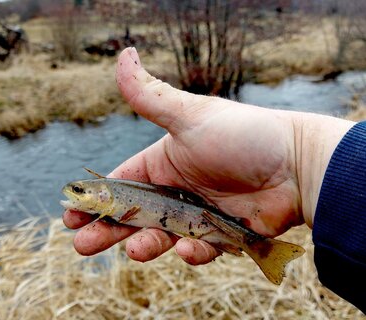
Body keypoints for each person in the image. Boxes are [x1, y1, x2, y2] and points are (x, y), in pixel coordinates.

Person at [63, 48, 366, 312]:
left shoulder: (117, 198)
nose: (75, 194)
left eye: (80, 191)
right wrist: (304, 162)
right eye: (79, 191)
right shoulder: (115, 200)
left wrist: (302, 160)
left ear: (102, 194)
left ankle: (261, 248)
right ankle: (258, 247)